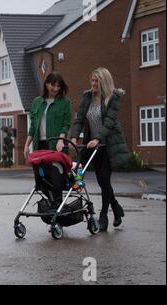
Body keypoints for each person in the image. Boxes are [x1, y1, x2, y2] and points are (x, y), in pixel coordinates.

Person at [70, 67, 130, 232]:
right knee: (101, 181)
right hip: (93, 146)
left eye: (97, 81)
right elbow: (80, 119)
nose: (94, 84)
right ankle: (117, 208)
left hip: (108, 145)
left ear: (104, 81)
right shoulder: (87, 97)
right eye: (92, 80)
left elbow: (109, 121)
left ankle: (104, 215)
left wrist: (98, 138)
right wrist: (74, 137)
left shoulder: (113, 98)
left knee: (104, 180)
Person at [24, 71, 72, 158]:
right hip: (39, 146)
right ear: (46, 84)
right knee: (40, 171)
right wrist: (26, 145)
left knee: (55, 171)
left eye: (58, 86)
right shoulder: (37, 102)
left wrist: (60, 141)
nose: (56, 89)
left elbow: (65, 125)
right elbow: (33, 127)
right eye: (53, 85)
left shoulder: (65, 103)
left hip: (57, 146)